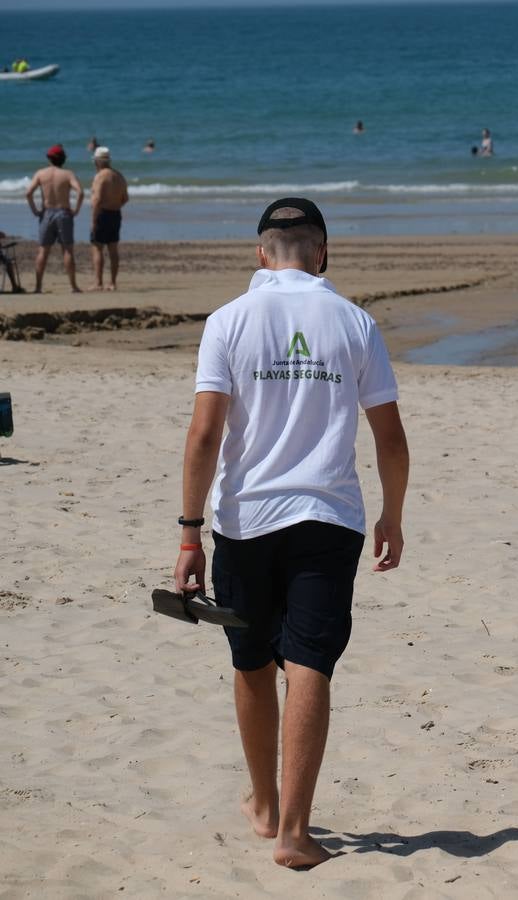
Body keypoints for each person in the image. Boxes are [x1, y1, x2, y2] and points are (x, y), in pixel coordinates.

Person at [173, 198, 409, 869]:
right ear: (322, 252)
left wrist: (190, 534)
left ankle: (265, 803)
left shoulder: (228, 321)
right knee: (310, 661)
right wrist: (393, 513)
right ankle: (293, 832)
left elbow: (204, 435)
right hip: (328, 519)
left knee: (250, 660)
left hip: (243, 522)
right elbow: (390, 437)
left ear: (261, 254)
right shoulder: (356, 323)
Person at [24, 144, 83, 294]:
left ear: (49, 159)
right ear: (63, 159)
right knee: (67, 251)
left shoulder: (41, 173)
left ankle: (38, 287)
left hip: (47, 213)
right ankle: (73, 286)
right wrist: (75, 210)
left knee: (43, 251)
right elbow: (80, 192)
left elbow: (28, 193)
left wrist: (35, 211)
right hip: (64, 213)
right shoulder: (68, 174)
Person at [89, 147, 129, 291]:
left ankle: (98, 283)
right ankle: (112, 283)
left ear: (98, 162)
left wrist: (93, 220)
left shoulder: (100, 176)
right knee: (113, 249)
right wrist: (115, 204)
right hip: (115, 213)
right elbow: (125, 198)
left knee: (97, 248)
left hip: (102, 213)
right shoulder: (119, 175)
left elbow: (97, 199)